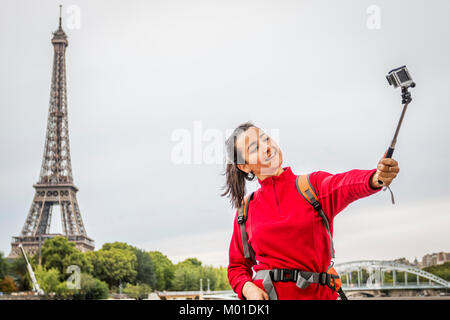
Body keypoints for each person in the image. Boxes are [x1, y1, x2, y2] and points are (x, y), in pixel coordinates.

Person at [222, 122, 400, 300]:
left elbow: (346, 183)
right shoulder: (245, 209)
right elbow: (237, 267)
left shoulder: (312, 187)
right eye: (255, 148)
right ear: (244, 166)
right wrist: (247, 288)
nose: (267, 147)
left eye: (266, 139)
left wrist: (375, 177)